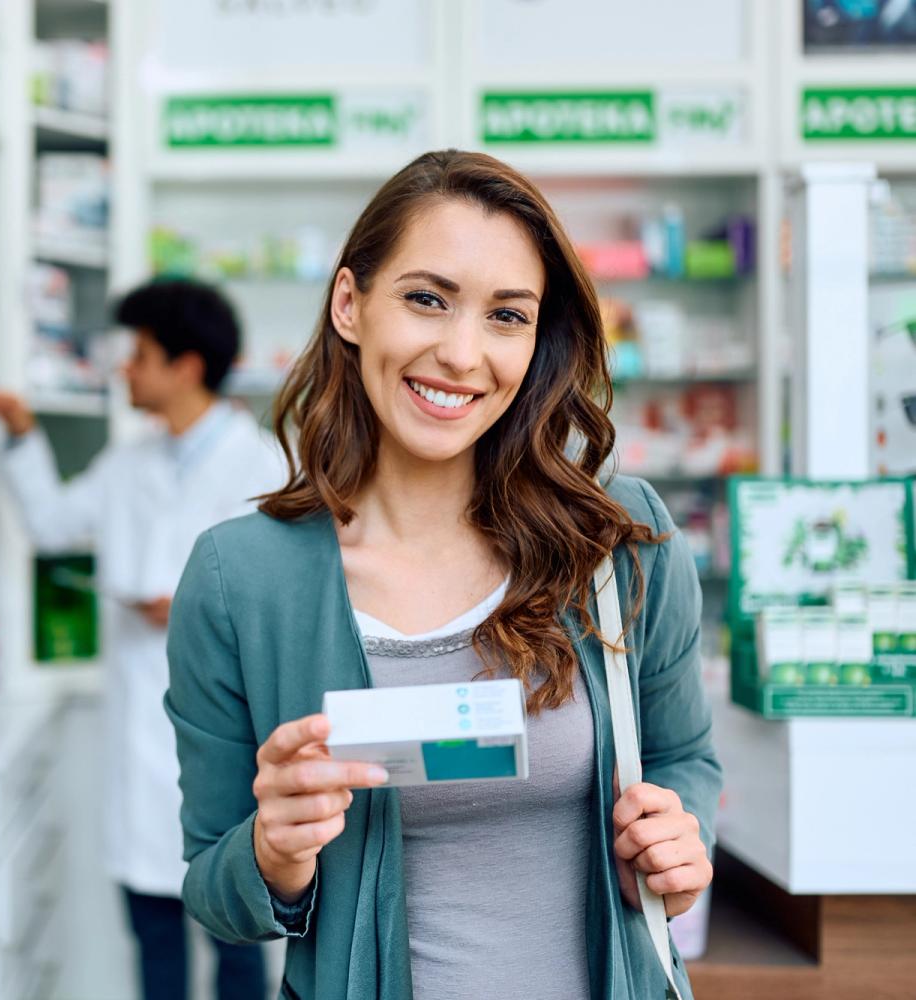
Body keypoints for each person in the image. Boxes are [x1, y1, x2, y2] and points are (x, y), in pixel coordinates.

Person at [165, 150, 720, 1000]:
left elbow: (682, 756)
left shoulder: (617, 538)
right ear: (350, 304)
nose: (463, 354)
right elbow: (213, 887)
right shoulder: (242, 579)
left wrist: (684, 845)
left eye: (507, 315)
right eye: (427, 299)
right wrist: (273, 854)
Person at [0, 278, 284, 1000]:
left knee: (238, 946)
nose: (125, 368)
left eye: (139, 354)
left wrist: (193, 606)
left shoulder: (264, 466)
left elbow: (285, 605)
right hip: (138, 733)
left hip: (224, 739)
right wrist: (23, 436)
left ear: (185, 366)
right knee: (153, 945)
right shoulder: (128, 464)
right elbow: (55, 522)